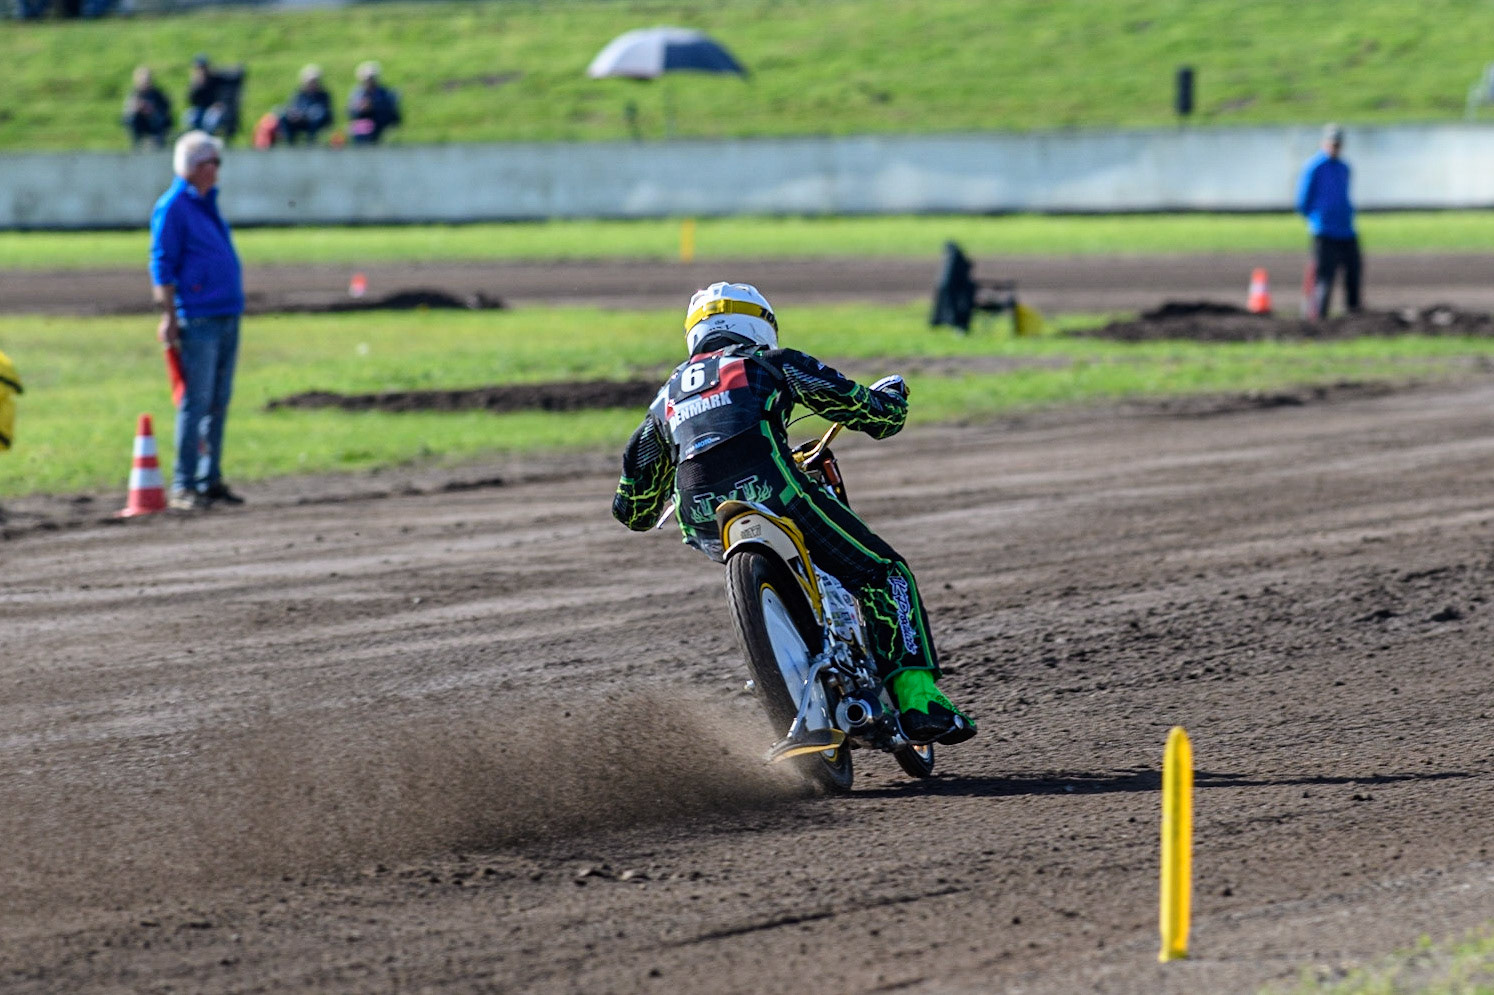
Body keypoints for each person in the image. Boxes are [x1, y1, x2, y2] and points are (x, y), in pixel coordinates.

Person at [611, 282, 976, 746]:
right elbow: (874, 415)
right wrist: (890, 400)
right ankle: (919, 700)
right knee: (884, 575)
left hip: (703, 520)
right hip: (778, 492)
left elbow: (634, 510)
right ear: (759, 324)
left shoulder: (663, 401)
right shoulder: (769, 362)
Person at [149, 131, 246, 511]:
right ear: (193, 167)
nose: (217, 169)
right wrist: (169, 316)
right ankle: (184, 484)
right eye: (212, 162)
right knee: (196, 403)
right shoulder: (173, 206)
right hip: (199, 317)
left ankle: (210, 479)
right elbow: (162, 265)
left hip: (226, 312)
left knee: (219, 401)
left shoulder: (207, 202)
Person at [1297, 123, 1361, 319]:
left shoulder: (1344, 167)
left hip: (1346, 228)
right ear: (1324, 143)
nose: (1335, 147)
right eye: (1332, 143)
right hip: (1324, 229)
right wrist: (1317, 217)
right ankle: (1319, 316)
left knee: (1354, 271)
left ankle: (1353, 312)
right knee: (1324, 276)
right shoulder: (1314, 167)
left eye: (1338, 144)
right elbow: (1303, 200)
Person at [183, 55, 245, 143]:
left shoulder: (216, 78)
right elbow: (191, 100)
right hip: (201, 108)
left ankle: (208, 141)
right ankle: (196, 141)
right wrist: (197, 86)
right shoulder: (196, 83)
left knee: (211, 120)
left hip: (216, 107)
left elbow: (234, 77)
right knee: (191, 117)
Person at [347, 61, 402, 144]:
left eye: (372, 78)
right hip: (362, 122)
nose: (370, 81)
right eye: (367, 79)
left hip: (379, 121)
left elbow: (390, 110)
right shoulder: (357, 93)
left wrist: (374, 106)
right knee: (358, 129)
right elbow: (350, 111)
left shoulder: (384, 92)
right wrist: (360, 109)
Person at [277, 64, 333, 145]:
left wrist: (305, 115)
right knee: (284, 116)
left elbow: (322, 111)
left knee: (316, 117)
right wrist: (294, 114)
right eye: (310, 81)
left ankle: (311, 141)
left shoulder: (323, 95)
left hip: (315, 120)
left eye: (314, 81)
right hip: (300, 119)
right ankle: (290, 142)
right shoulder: (299, 94)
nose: (312, 84)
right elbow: (293, 106)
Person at [122, 66, 172, 149]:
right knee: (132, 118)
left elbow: (166, 110)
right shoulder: (134, 95)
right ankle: (137, 144)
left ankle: (159, 143)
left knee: (160, 120)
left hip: (154, 121)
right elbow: (127, 113)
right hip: (140, 122)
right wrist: (136, 109)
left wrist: (152, 110)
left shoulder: (158, 94)